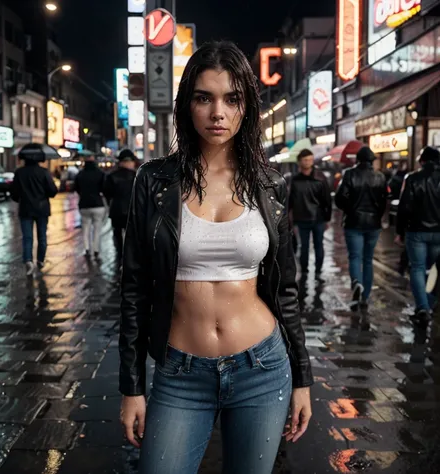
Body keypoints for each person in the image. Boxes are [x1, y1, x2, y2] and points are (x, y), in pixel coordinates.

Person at [119, 41, 313, 474]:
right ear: (188, 105)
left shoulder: (271, 185)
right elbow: (133, 289)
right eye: (204, 98)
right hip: (180, 371)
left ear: (247, 106)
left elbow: (286, 291)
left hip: (262, 366)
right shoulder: (154, 181)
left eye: (231, 99)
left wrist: (303, 378)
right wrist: (131, 387)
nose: (217, 113)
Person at [335, 146, 389, 310]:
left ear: (357, 160)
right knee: (368, 260)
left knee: (355, 257)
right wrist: (377, 216)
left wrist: (350, 209)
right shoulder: (380, 176)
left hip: (354, 223)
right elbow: (383, 202)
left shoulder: (350, 174)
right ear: (372, 161)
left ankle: (357, 282)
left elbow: (339, 199)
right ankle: (365, 297)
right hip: (373, 224)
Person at [396, 146, 440, 326]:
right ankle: (429, 303)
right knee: (434, 270)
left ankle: (422, 307)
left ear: (422, 161)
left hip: (416, 231)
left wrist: (399, 231)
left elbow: (404, 207)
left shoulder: (412, 178)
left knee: (418, 268)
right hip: (438, 232)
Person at [10, 155, 58, 276]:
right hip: (42, 209)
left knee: (27, 237)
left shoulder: (20, 172)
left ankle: (28, 260)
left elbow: (14, 193)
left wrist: (21, 198)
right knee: (42, 236)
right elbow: (52, 191)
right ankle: (40, 260)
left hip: (25, 208)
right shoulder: (44, 172)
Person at [288, 148, 332, 280]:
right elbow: (290, 201)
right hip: (301, 218)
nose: (308, 162)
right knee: (304, 246)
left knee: (319, 245)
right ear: (299, 162)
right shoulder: (294, 180)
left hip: (318, 219)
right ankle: (305, 272)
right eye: (305, 160)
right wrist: (289, 219)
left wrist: (327, 219)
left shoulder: (320, 178)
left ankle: (318, 271)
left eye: (310, 160)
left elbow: (327, 200)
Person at [103, 149, 136, 261]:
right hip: (133, 211)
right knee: (131, 235)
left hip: (116, 209)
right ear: (130, 162)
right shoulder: (137, 176)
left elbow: (107, 193)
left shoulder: (112, 176)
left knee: (117, 234)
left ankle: (120, 255)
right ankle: (129, 257)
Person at [74, 155, 107, 260]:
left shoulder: (80, 174)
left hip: (84, 204)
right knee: (97, 229)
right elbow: (104, 188)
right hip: (98, 204)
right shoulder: (100, 174)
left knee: (85, 228)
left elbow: (77, 188)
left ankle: (87, 249)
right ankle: (96, 250)